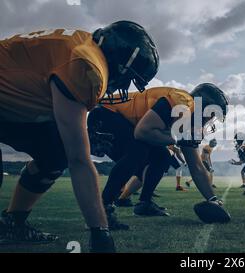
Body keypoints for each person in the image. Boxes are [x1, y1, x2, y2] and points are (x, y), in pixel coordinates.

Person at [0, 21, 159, 252]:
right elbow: (79, 160)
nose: (123, 86)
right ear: (120, 62)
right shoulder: (86, 66)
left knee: (55, 152)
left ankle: (12, 222)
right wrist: (100, 231)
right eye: (128, 78)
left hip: (10, 101)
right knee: (71, 153)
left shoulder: (84, 46)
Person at [88, 83, 229, 223]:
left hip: (126, 123)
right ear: (201, 105)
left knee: (162, 157)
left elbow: (197, 167)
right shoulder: (181, 102)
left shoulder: (188, 123)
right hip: (105, 114)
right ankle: (102, 208)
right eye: (211, 114)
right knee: (139, 151)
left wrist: (213, 199)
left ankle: (144, 203)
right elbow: (143, 132)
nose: (209, 120)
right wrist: (178, 138)